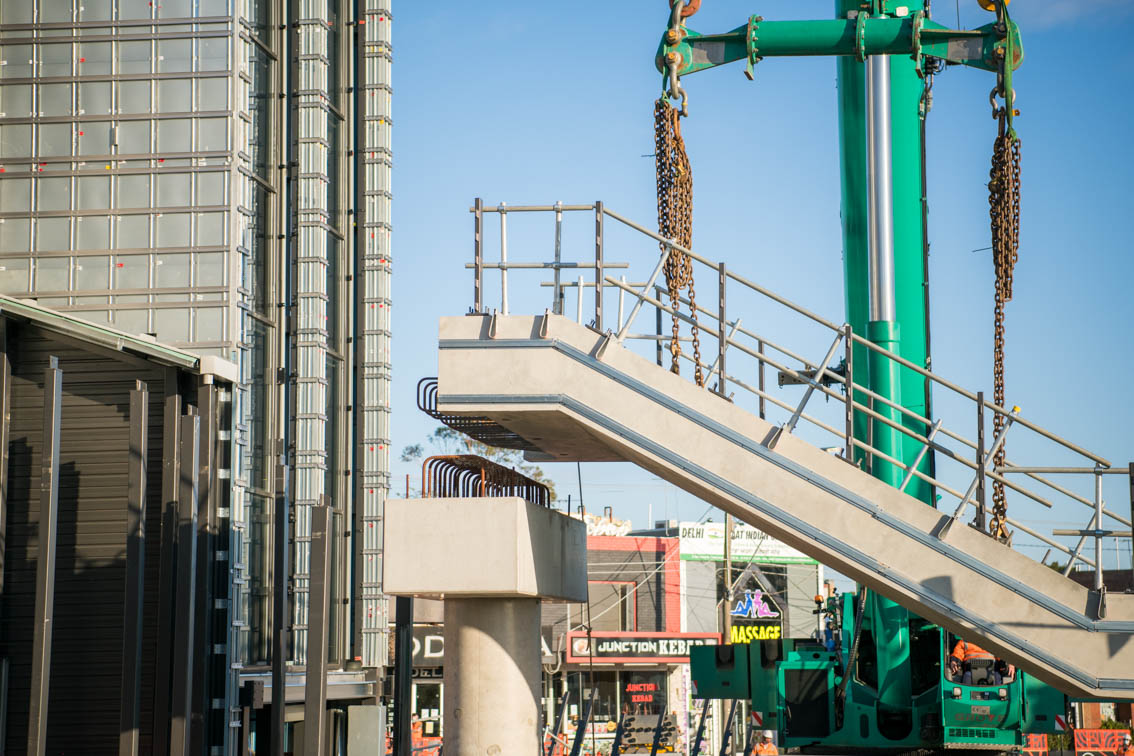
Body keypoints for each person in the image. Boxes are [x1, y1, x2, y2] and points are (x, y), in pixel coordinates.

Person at [949, 638, 1013, 685]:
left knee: (997, 680)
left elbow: (1003, 654)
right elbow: (957, 654)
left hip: (992, 670)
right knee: (967, 679)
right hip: (970, 669)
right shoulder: (964, 641)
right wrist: (954, 661)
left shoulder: (995, 641)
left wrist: (1010, 662)